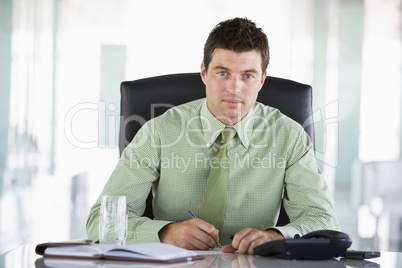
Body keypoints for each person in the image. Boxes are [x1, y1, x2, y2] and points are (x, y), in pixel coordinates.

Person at [86, 17, 339, 255]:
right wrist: (164, 232)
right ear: (204, 73)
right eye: (222, 73)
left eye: (248, 76)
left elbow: (323, 220)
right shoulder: (158, 132)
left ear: (262, 80)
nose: (234, 88)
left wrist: (278, 236)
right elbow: (100, 221)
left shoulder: (289, 136)